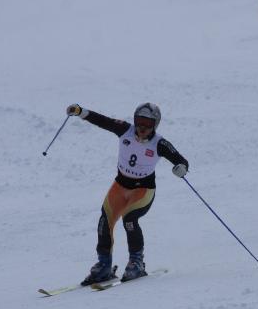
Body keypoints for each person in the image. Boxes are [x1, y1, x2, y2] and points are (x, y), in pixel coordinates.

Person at [66, 102, 189, 284]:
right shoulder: (125, 130)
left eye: (148, 124)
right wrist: (80, 111)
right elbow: (103, 121)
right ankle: (104, 266)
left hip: (143, 190)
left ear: (155, 124)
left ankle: (136, 263)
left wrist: (181, 168)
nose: (142, 128)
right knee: (105, 221)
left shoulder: (159, 143)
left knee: (129, 219)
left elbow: (181, 160)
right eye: (140, 122)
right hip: (120, 186)